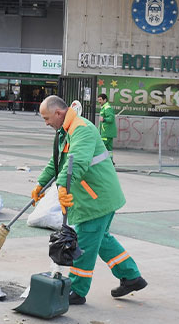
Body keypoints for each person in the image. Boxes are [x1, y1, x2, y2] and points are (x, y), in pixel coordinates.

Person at [30, 95, 146, 305]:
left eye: (46, 118)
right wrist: (41, 183)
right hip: (95, 196)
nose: (46, 123)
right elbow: (57, 162)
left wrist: (63, 186)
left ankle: (77, 290)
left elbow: (78, 162)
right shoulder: (65, 130)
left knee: (83, 243)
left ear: (58, 113)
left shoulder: (81, 129)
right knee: (101, 239)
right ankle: (131, 277)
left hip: (96, 198)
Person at [96, 93, 117, 165]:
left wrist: (104, 119)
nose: (99, 101)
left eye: (100, 100)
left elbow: (111, 118)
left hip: (106, 132)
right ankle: (110, 162)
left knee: (100, 147)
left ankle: (99, 162)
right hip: (109, 133)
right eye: (98, 100)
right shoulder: (105, 107)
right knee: (109, 149)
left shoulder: (107, 108)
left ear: (105, 100)